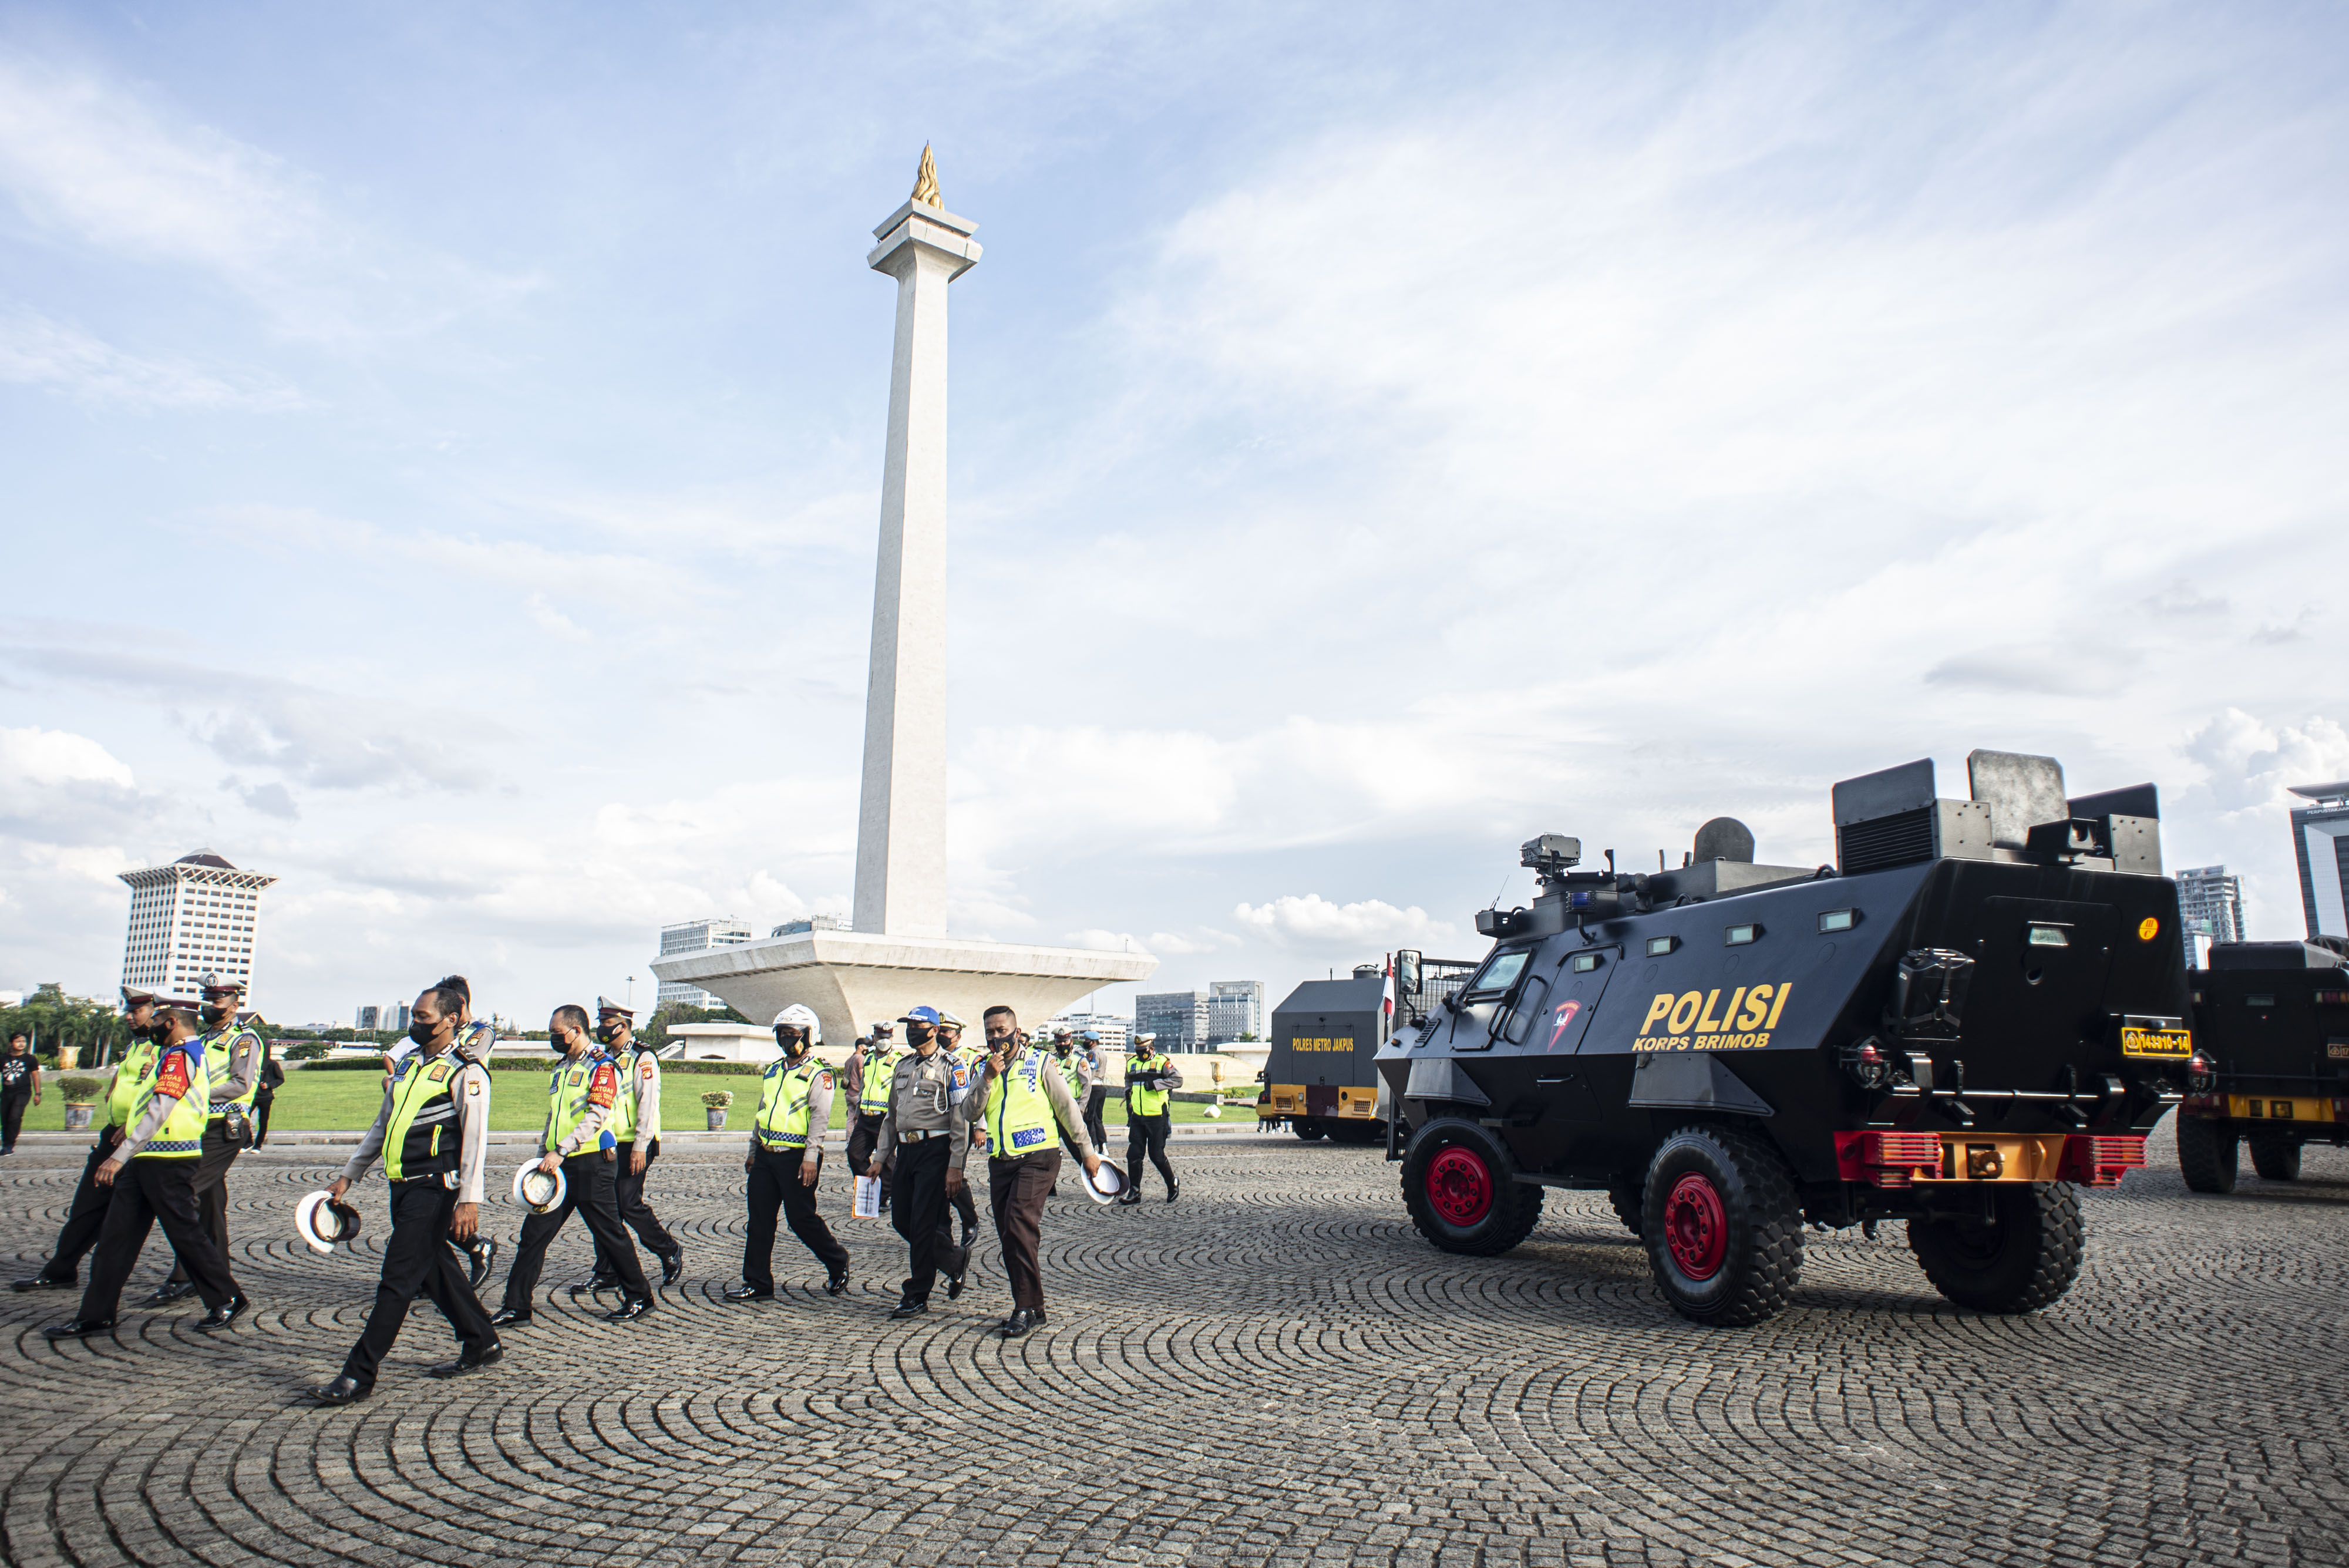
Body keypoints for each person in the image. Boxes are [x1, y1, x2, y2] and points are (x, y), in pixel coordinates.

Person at [307, 981, 499, 1405]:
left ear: (451, 1020)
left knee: (397, 1278)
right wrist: (348, 1176)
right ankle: (481, 1341)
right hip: (402, 1185)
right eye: (414, 1015)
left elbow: (475, 1139)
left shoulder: (466, 1070)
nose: (415, 1023)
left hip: (435, 1187)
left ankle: (359, 1374)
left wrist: (469, 1199)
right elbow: (382, 1125)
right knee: (437, 1270)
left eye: (423, 1017)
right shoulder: (410, 1064)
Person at [42, 1001, 246, 1338]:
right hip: (149, 1158)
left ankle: (228, 1297)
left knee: (186, 1235)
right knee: (115, 1238)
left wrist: (118, 1156)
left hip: (169, 1160)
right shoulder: (179, 1053)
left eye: (157, 1020)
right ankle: (97, 1314)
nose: (150, 1025)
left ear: (171, 1023)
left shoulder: (181, 1056)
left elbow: (160, 1109)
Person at [489, 1005, 654, 1327]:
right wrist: (542, 1155)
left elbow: (597, 1115)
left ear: (577, 1031)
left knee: (609, 1233)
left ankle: (640, 1296)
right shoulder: (562, 1067)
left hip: (591, 1164)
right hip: (557, 1165)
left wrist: (561, 1150)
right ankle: (517, 1306)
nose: (554, 1038)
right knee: (533, 1236)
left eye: (557, 1032)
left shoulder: (602, 1066)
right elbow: (555, 1117)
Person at [13, 988, 163, 1291]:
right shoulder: (137, 1045)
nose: (130, 1017)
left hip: (139, 1139)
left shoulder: (168, 1048)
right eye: (128, 1012)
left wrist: (134, 1124)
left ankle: (185, 1280)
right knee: (87, 1205)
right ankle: (62, 1268)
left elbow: (167, 1094)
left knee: (154, 1218)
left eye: (137, 1011)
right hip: (113, 1133)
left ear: (156, 1013)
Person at [973, 1006, 1103, 1337]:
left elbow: (1067, 1108)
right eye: (989, 1031)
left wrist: (1087, 1151)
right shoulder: (983, 1068)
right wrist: (987, 1078)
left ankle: (1024, 1307)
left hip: (1039, 1156)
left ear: (1016, 1032)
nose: (995, 1037)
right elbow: (968, 1111)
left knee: (1018, 1223)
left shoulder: (1040, 1062)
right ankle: (1035, 1305)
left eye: (1001, 1030)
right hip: (1002, 1159)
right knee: (1009, 1234)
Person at [146, 973, 264, 1306]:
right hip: (200, 1125)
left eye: (217, 1000)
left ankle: (184, 1276)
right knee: (210, 1205)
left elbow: (241, 1084)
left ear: (234, 1004)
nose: (211, 1005)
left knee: (185, 1194)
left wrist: (192, 1092)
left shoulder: (244, 1039)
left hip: (224, 1127)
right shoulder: (204, 1037)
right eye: (207, 999)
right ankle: (218, 1274)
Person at [726, 1005, 850, 1301]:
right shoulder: (773, 1070)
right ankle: (757, 1281)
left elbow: (820, 1118)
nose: (785, 1040)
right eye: (781, 1034)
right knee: (759, 1220)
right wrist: (753, 1149)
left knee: (800, 1218)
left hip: (797, 1158)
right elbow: (763, 1111)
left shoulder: (819, 1073)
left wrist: (812, 1157)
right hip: (767, 1155)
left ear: (809, 1036)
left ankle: (837, 1261)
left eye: (791, 1034)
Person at [861, 1005, 971, 1317]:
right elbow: (891, 1118)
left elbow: (960, 1119)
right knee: (901, 1219)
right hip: (906, 1151)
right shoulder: (903, 1066)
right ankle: (952, 1260)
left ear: (935, 1030)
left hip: (936, 1151)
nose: (912, 1031)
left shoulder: (954, 1067)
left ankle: (917, 1293)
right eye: (908, 1026)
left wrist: (955, 1166)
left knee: (922, 1222)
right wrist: (880, 1158)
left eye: (918, 1026)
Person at [583, 998, 682, 1293]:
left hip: (635, 1143)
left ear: (624, 1025)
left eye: (607, 1024)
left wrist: (641, 1144)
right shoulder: (601, 1056)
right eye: (600, 1022)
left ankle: (668, 1249)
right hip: (607, 1143)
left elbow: (648, 1104)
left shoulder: (643, 1057)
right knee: (603, 1207)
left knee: (627, 1204)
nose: (601, 1028)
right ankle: (606, 1270)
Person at [1118, 1034, 1182, 1206]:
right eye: (1137, 1051)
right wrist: (1128, 1092)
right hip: (1138, 1117)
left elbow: (1178, 1079)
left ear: (1152, 1048)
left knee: (1156, 1155)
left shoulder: (1162, 1062)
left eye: (1144, 1051)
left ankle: (1172, 1184)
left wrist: (1156, 1084)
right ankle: (1135, 1192)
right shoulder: (1132, 1063)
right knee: (1134, 1154)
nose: (1140, 1054)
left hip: (1157, 1117)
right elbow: (1128, 1080)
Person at [843, 1022, 901, 1213]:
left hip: (885, 1118)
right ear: (874, 1037)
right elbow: (863, 1086)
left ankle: (885, 1197)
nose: (884, 1040)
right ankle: (870, 1189)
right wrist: (858, 1113)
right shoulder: (867, 1059)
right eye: (880, 1036)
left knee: (885, 1159)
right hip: (866, 1117)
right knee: (854, 1153)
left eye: (887, 1036)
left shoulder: (899, 1061)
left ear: (892, 1038)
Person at [938, 1010, 983, 1247]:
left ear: (958, 1034)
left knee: (953, 1175)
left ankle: (970, 1220)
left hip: (963, 1124)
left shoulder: (972, 1059)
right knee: (936, 1176)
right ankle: (941, 1228)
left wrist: (981, 1128)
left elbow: (985, 1093)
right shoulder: (933, 1056)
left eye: (947, 1032)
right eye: (941, 1031)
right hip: (936, 1125)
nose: (943, 1036)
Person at [1, 1032, 39, 1155]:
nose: (21, 1043)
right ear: (11, 1043)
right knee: (5, 1118)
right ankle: (6, 1144)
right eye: (18, 1041)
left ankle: (10, 1145)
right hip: (7, 1093)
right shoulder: (3, 1059)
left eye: (23, 1041)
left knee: (15, 1116)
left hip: (23, 1092)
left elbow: (35, 1075)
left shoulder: (30, 1059)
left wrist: (38, 1093)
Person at [1076, 1029, 1110, 1151]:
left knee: (1090, 1117)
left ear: (1093, 1042)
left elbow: (1090, 1072)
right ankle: (1103, 1145)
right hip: (1101, 1086)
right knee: (1098, 1119)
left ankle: (1094, 1144)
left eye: (1087, 1040)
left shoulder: (1092, 1054)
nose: (1085, 1042)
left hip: (1093, 1087)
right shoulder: (1102, 1053)